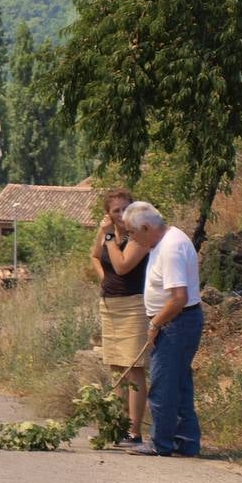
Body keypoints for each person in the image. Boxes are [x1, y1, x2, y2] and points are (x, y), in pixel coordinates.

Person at [122, 201, 203, 457]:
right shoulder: (164, 242)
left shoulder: (170, 248)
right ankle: (186, 442)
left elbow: (178, 298)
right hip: (176, 322)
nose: (131, 238)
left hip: (176, 324)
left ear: (146, 227)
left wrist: (156, 323)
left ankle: (161, 442)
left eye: (132, 233)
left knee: (164, 384)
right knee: (179, 384)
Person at [90, 187, 150, 446]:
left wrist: (112, 238)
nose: (122, 214)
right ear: (108, 214)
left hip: (133, 305)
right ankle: (117, 426)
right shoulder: (105, 234)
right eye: (116, 210)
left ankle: (134, 432)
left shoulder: (139, 235)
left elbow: (123, 265)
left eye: (126, 208)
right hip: (110, 304)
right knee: (116, 367)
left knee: (134, 368)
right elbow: (95, 256)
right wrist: (105, 280)